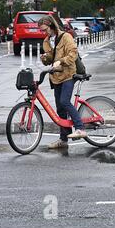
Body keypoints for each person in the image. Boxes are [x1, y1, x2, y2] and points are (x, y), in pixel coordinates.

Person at [39, 15, 87, 149]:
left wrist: (61, 61)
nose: (44, 33)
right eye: (42, 31)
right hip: (56, 76)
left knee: (64, 101)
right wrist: (45, 58)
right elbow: (50, 58)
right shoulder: (46, 41)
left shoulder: (66, 37)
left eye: (45, 29)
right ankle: (63, 139)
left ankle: (80, 128)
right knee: (60, 109)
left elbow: (73, 54)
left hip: (68, 74)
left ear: (52, 26)